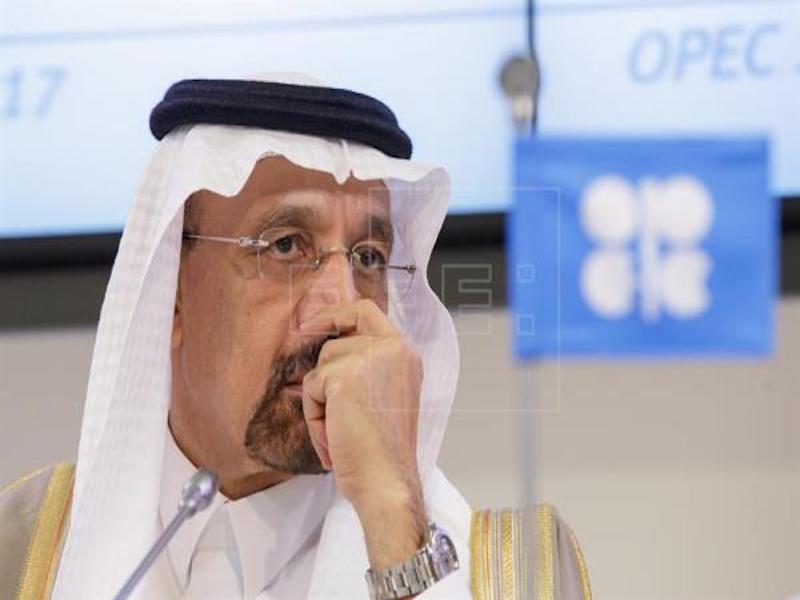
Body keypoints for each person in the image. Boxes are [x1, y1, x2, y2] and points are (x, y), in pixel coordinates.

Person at [1, 74, 591, 599]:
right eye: (284, 246)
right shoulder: (20, 557)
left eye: (368, 256)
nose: (340, 305)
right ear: (172, 293)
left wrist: (394, 519)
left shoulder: (521, 577)